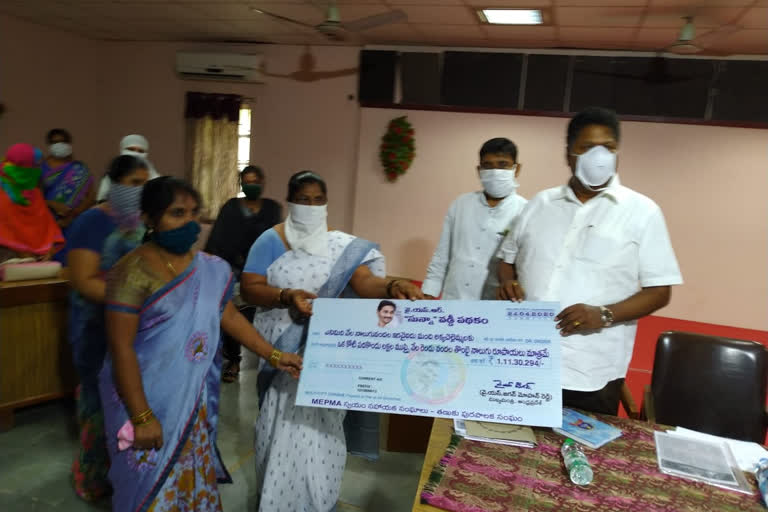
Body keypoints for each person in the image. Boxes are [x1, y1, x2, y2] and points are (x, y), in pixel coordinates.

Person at [99, 176, 302, 512]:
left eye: (195, 213)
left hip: (191, 401)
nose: (190, 223)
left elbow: (230, 316)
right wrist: (142, 415)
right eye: (177, 213)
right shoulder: (130, 272)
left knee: (191, 475)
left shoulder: (213, 268)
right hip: (145, 398)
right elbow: (120, 349)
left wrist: (274, 355)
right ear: (149, 219)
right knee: (145, 484)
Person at [240, 170, 423, 512]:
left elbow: (366, 283)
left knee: (323, 433)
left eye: (318, 200)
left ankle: (317, 501)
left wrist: (391, 287)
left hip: (328, 358)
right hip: (281, 351)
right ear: (290, 201)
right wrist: (285, 294)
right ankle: (275, 502)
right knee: (279, 428)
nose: (311, 206)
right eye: (303, 200)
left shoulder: (342, 246)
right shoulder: (270, 240)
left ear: (327, 203)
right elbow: (249, 288)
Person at [497, 107, 683, 416]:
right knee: (506, 453)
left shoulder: (642, 212)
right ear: (569, 154)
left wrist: (605, 314)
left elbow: (660, 291)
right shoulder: (539, 204)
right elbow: (508, 260)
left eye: (608, 147)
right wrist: (507, 282)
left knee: (583, 458)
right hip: (523, 359)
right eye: (587, 147)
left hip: (589, 371)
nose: (599, 156)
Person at [66, 155, 150, 502]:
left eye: (145, 184)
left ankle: (123, 475)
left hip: (135, 331)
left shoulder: (143, 224)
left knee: (127, 407)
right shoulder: (91, 222)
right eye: (132, 183)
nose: (139, 191)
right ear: (114, 184)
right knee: (97, 408)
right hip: (95, 328)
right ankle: (90, 477)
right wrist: (132, 298)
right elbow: (85, 281)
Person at [422, 138, 527, 300]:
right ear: (479, 170)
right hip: (453, 299)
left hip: (493, 305)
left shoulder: (525, 211)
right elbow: (442, 254)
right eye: (487, 165)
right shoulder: (461, 204)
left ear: (516, 169)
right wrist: (429, 291)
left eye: (503, 164)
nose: (495, 171)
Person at [204, 165, 282, 382]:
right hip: (234, 270)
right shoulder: (231, 207)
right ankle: (234, 360)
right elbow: (217, 239)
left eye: (256, 181)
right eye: (247, 181)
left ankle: (272, 358)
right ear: (241, 184)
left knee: (266, 315)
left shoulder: (272, 208)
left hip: (264, 272)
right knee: (232, 316)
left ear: (263, 182)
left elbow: (277, 237)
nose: (252, 185)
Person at [0, 143, 65, 264]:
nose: (37, 170)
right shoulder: (1, 193)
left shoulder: (35, 195)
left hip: (35, 264)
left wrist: (48, 251)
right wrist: (23, 254)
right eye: (33, 165)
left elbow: (47, 228)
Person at [40, 129, 96, 246]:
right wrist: (53, 204)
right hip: (45, 223)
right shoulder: (40, 168)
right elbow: (33, 197)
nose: (59, 145)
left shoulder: (79, 168)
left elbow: (91, 197)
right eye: (55, 142)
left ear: (69, 144)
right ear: (49, 145)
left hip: (72, 223)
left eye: (63, 141)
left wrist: (72, 215)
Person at [96, 134, 160, 202]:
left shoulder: (155, 178)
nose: (136, 153)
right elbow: (101, 200)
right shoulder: (111, 175)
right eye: (131, 149)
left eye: (140, 151)